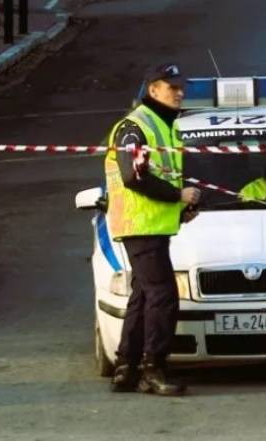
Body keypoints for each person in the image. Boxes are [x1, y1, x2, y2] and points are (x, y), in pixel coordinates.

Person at [104, 63, 200, 396]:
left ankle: (126, 367)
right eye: (172, 87)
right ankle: (153, 370)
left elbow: (159, 173)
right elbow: (135, 176)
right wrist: (177, 195)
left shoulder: (162, 125)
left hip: (152, 225)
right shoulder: (137, 126)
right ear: (153, 89)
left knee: (143, 295)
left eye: (180, 86)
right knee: (163, 296)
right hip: (139, 225)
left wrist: (181, 206)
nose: (180, 92)